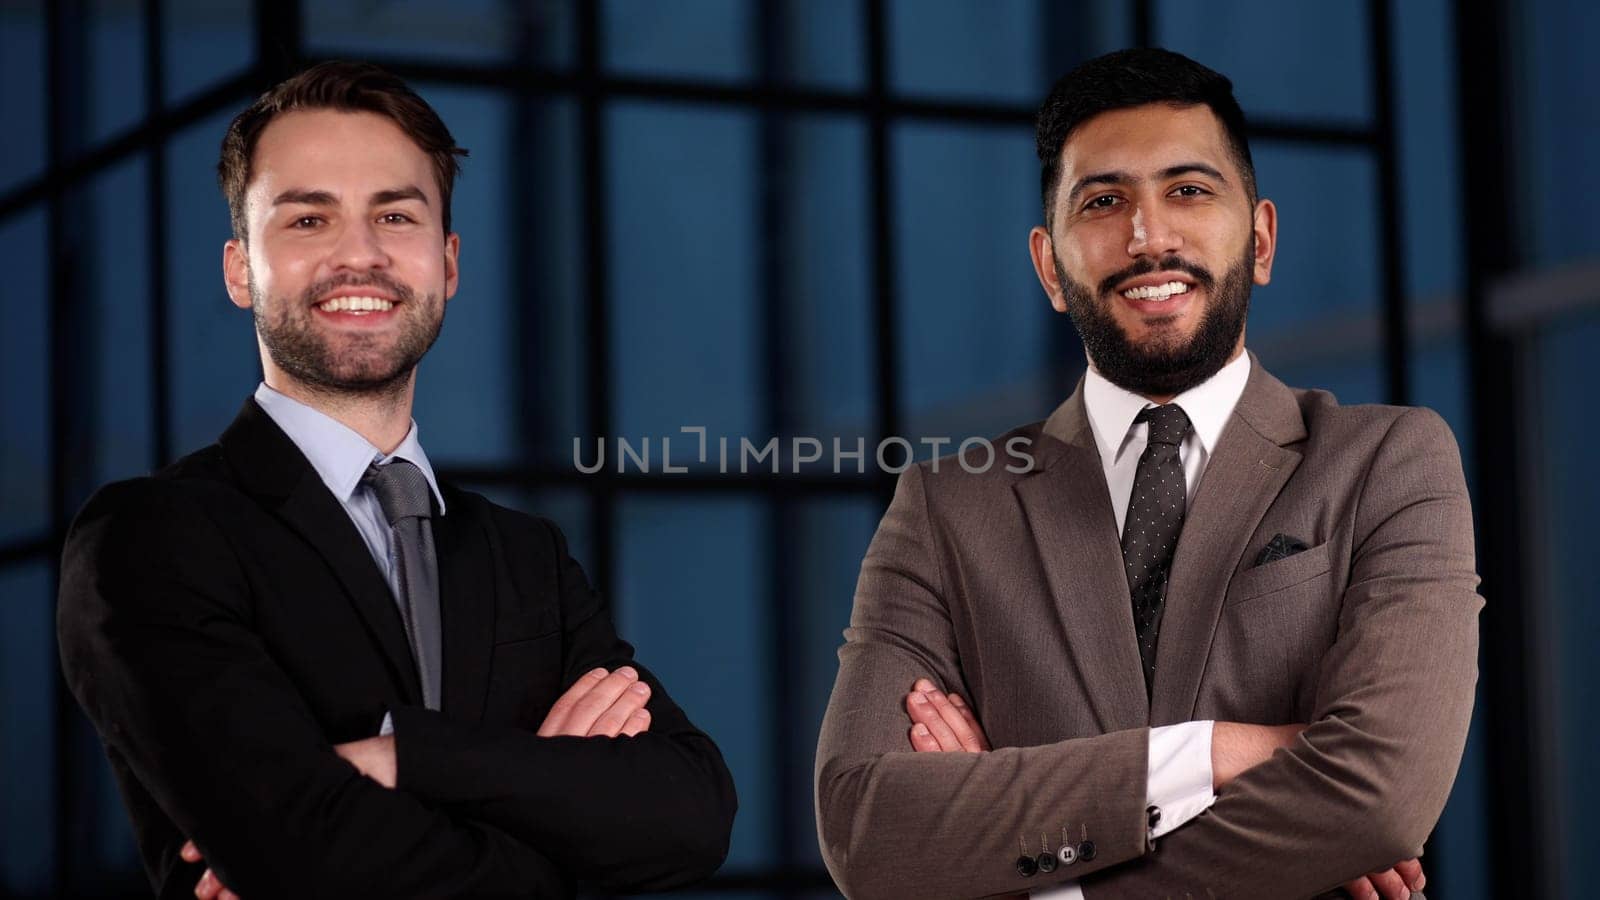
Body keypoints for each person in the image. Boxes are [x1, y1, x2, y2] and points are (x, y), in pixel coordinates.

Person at [57, 61, 736, 900]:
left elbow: (692, 813)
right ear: (241, 271)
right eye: (308, 218)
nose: (360, 254)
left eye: (395, 214)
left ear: (447, 262)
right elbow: (304, 855)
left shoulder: (525, 559)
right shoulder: (151, 540)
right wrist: (554, 805)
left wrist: (409, 760)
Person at [814, 48, 1477, 900]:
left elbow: (1378, 794)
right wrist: (1223, 750)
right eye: (1103, 201)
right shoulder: (947, 509)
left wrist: (1038, 880)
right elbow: (868, 829)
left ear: (1262, 239)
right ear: (1051, 267)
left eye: (1189, 191)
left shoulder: (1388, 462)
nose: (1148, 235)